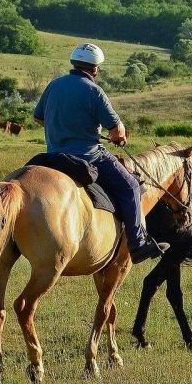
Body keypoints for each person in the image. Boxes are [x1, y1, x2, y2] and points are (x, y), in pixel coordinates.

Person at [32, 43, 169, 263]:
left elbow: (38, 117)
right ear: (95, 68)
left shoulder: (54, 85)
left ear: (74, 63)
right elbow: (116, 128)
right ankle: (137, 244)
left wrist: (62, 126)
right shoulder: (94, 91)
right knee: (131, 186)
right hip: (89, 155)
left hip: (54, 154)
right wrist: (119, 137)